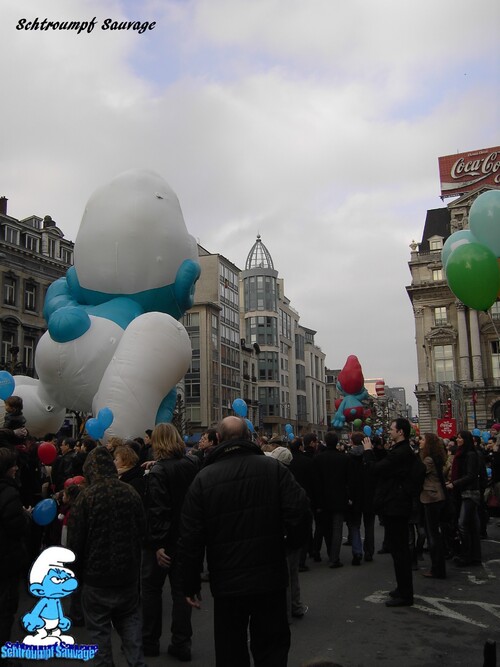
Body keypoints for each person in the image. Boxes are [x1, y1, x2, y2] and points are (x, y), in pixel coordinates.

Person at [178, 416, 310, 667]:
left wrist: (190, 583)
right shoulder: (274, 470)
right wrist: (290, 545)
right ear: (248, 437)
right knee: (272, 647)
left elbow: (190, 536)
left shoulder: (204, 479)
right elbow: (300, 510)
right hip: (269, 575)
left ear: (220, 440)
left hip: (227, 580)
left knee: (230, 649)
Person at [67, 447, 147, 667]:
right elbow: (143, 530)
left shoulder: (86, 498)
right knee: (131, 628)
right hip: (127, 576)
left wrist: (75, 574)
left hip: (96, 578)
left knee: (99, 636)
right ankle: (137, 663)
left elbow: (75, 542)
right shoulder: (130, 492)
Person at [141, 423, 199, 661]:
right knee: (181, 593)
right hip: (185, 539)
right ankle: (181, 642)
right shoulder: (192, 466)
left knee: (152, 591)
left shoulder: (158, 472)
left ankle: (149, 641)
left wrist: (158, 543)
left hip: (162, 542)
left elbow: (158, 509)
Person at [363, 418, 415, 607]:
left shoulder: (401, 453)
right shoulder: (402, 450)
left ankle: (406, 594)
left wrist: (368, 452)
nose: (390, 431)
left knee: (400, 551)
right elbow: (386, 462)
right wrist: (377, 450)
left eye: (392, 429)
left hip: (396, 505)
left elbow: (375, 469)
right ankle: (402, 588)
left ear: (400, 432)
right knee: (397, 550)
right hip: (396, 504)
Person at [0, 448, 30, 665]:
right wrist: (25, 517)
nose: (16, 468)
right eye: (13, 465)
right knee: (5, 608)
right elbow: (15, 527)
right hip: (6, 559)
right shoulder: (9, 493)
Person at [313, 431, 351, 568]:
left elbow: (316, 482)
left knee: (325, 528)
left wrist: (317, 501)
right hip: (339, 498)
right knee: (337, 529)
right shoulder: (344, 458)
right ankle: (334, 557)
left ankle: (328, 553)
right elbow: (348, 480)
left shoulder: (318, 458)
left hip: (323, 499)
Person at [446, 430, 482, 566]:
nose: (458, 440)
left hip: (470, 493)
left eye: (460, 438)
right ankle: (474, 556)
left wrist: (454, 484)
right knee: (471, 526)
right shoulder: (462, 454)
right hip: (463, 492)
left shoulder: (471, 455)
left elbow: (471, 475)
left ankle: (466, 555)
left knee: (462, 525)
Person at [419, 433, 447, 579]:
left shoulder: (428, 460)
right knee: (434, 532)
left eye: (423, 439)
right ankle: (438, 566)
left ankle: (437, 568)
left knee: (432, 534)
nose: (420, 441)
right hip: (438, 495)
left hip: (431, 497)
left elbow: (419, 473)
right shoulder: (436, 457)